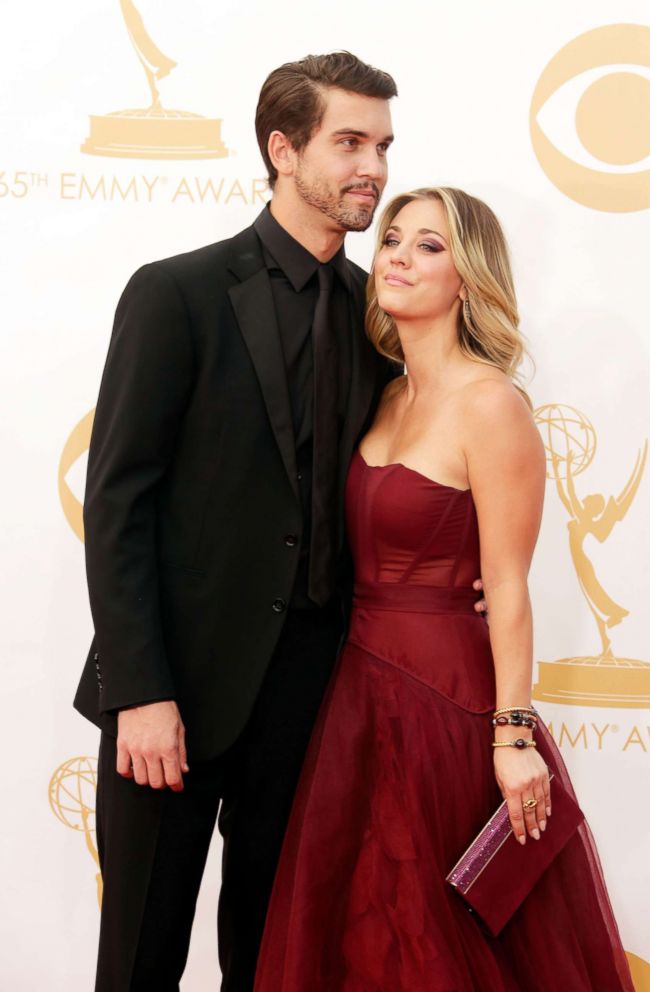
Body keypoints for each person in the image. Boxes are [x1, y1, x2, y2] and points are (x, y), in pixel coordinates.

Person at [73, 53, 478, 991]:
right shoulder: (177, 292)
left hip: (310, 704)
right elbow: (118, 503)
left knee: (276, 964)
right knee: (139, 961)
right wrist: (141, 691)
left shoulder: (378, 320)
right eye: (348, 142)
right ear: (281, 149)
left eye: (381, 144)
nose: (371, 166)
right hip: (169, 697)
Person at [253, 187, 635, 992]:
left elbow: (507, 585)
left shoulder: (491, 405)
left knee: (440, 943)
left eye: (429, 245)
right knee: (362, 939)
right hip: (354, 697)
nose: (396, 254)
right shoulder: (384, 394)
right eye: (392, 237)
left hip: (448, 713)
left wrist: (511, 736)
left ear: (468, 278)